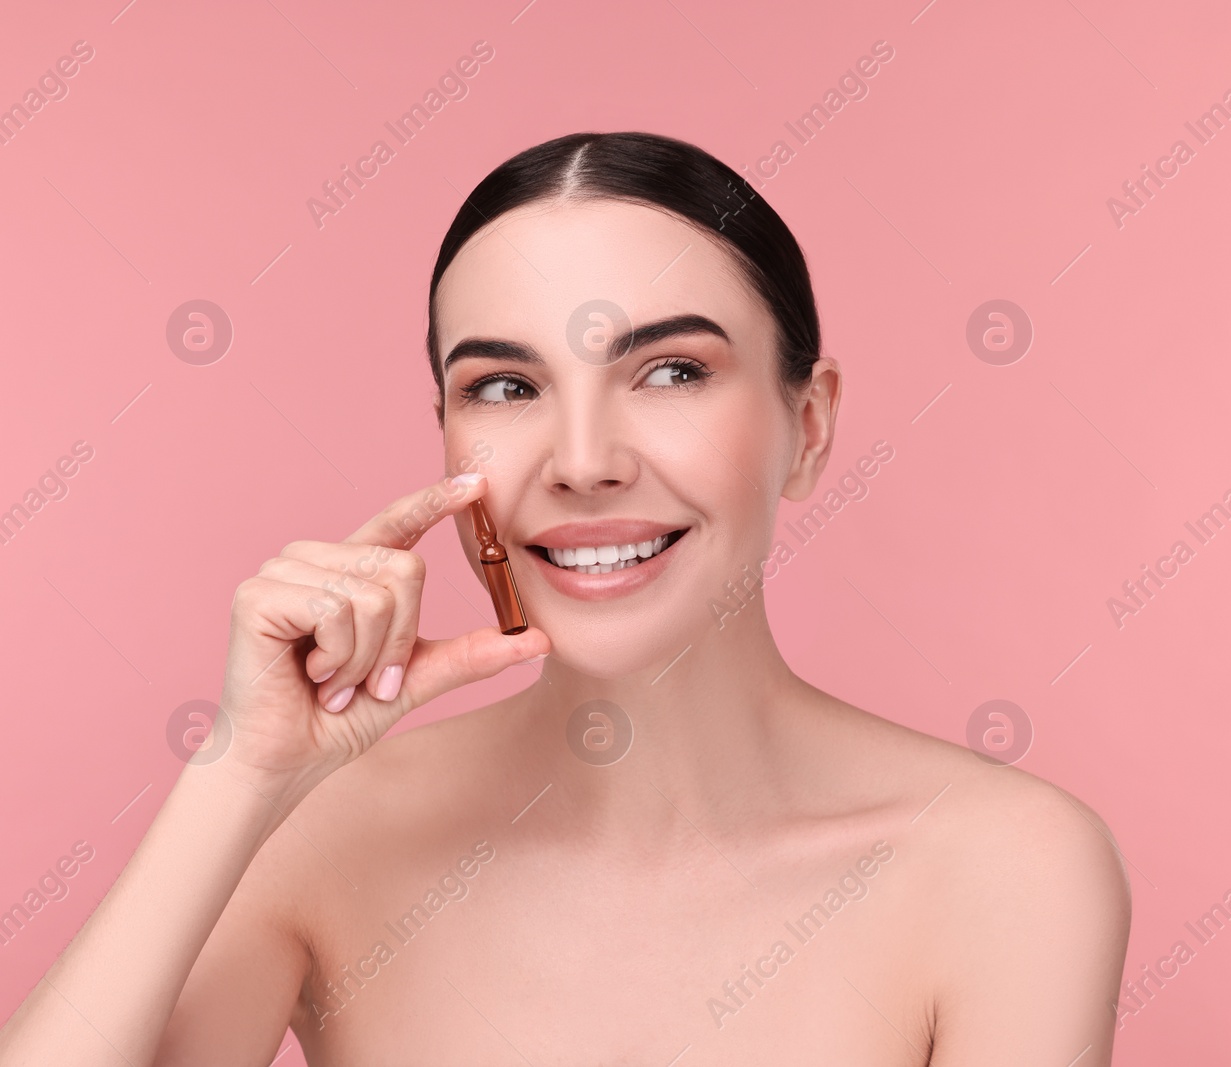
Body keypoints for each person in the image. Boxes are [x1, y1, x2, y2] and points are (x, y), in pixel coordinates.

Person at [0, 131, 1131, 1065]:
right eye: (506, 385)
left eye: (671, 370)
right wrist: (240, 773)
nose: (582, 459)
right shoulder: (321, 833)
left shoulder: (1003, 864)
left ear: (811, 424)